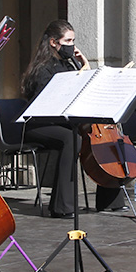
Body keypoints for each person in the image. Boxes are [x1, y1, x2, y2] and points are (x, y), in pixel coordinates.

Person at [19, 20, 88, 217]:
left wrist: (84, 66)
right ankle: (61, 206)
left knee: (91, 131)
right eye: (67, 40)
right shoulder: (44, 68)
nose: (72, 45)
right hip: (37, 124)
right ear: (53, 42)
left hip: (60, 122)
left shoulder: (68, 65)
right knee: (71, 138)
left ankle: (109, 198)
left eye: (73, 40)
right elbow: (46, 106)